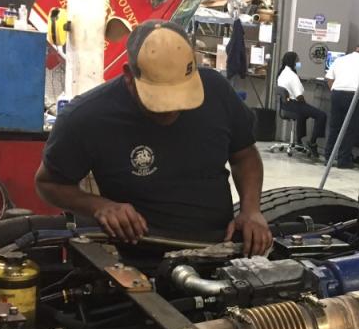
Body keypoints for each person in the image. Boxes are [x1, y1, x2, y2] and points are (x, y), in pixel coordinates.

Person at [35, 20, 273, 256]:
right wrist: (100, 206)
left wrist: (251, 210)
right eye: (159, 100)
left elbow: (245, 155)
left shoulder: (217, 91)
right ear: (129, 76)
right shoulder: (86, 118)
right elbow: (48, 183)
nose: (171, 110)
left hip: (218, 250)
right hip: (140, 258)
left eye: (180, 98)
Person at [276, 51, 327, 156]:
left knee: (303, 113)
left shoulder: (282, 73)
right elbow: (299, 96)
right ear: (293, 62)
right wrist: (305, 105)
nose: (299, 62)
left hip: (285, 105)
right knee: (321, 115)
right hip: (294, 105)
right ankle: (312, 142)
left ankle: (299, 140)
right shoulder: (292, 75)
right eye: (297, 60)